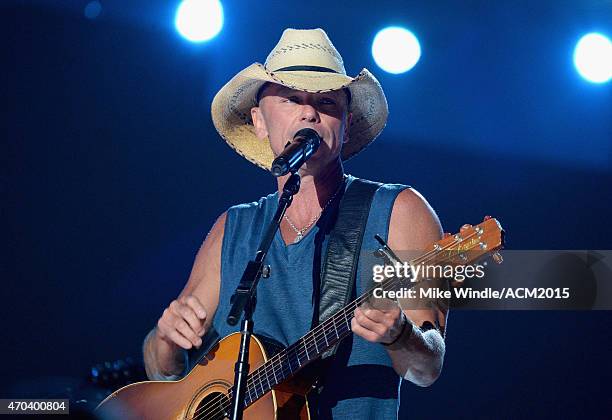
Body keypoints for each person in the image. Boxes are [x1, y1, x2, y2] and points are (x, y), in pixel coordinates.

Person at [143, 28, 447, 419]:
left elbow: (428, 367)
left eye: (325, 101)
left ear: (346, 124)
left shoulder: (399, 211)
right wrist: (166, 341)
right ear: (259, 121)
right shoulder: (234, 228)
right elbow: (161, 370)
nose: (308, 113)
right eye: (290, 99)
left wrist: (402, 335)